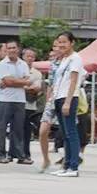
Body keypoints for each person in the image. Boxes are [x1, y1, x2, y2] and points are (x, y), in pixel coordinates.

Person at [0, 40, 32, 164]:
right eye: (9, 48)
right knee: (1, 128)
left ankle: (18, 155)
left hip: (20, 100)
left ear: (18, 49)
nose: (11, 50)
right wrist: (20, 82)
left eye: (13, 48)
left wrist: (13, 82)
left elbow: (27, 81)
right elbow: (8, 81)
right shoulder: (3, 64)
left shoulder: (23, 64)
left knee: (18, 129)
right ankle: (0, 154)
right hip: (5, 100)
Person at [52, 32, 83, 177]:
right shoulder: (64, 59)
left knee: (71, 132)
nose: (61, 45)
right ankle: (66, 165)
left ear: (72, 43)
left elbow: (73, 81)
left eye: (64, 42)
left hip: (68, 98)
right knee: (65, 134)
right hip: (59, 97)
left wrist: (68, 102)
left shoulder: (75, 59)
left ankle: (74, 167)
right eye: (59, 42)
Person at [38, 43, 61, 173]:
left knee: (66, 133)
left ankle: (68, 158)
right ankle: (46, 159)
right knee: (42, 131)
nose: (56, 49)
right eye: (54, 47)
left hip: (64, 99)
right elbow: (50, 84)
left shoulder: (71, 61)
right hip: (52, 101)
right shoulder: (53, 65)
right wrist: (48, 101)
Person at [23, 48, 44, 160]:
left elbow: (37, 88)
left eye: (32, 56)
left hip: (30, 104)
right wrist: (26, 87)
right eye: (28, 56)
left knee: (27, 130)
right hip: (18, 103)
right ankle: (14, 152)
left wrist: (25, 87)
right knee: (15, 130)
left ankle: (26, 153)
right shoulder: (19, 70)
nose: (30, 58)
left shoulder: (37, 73)